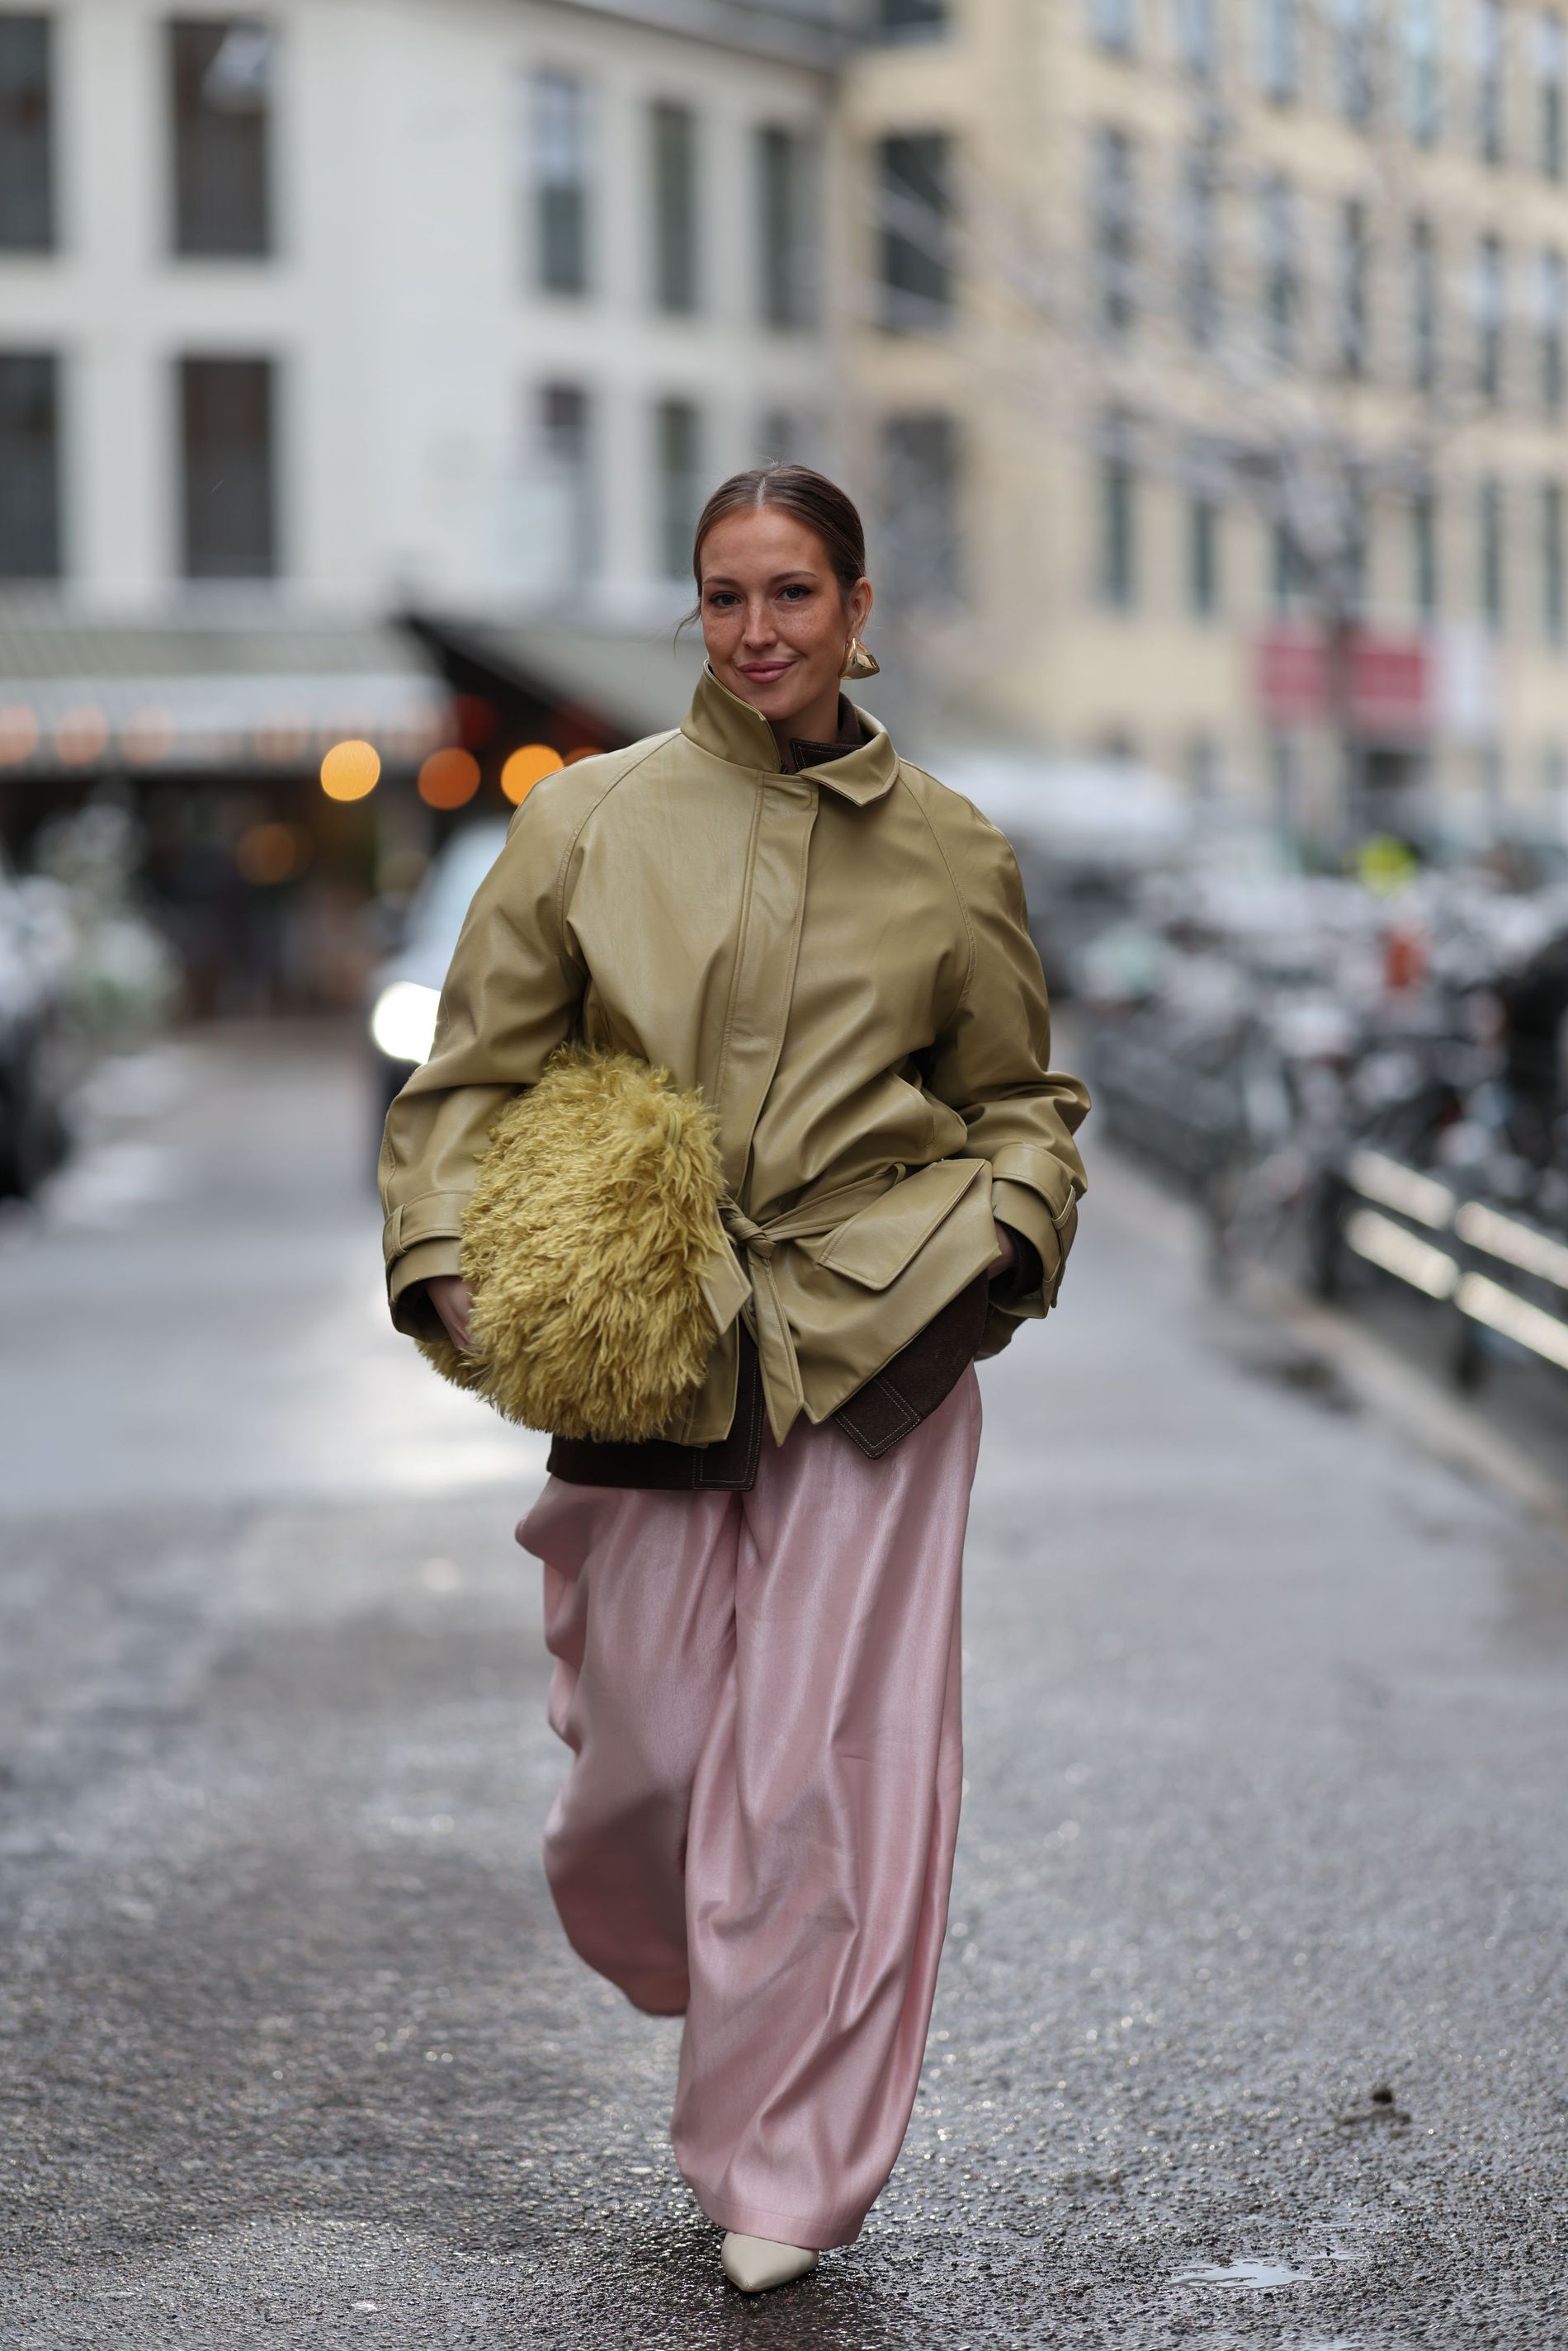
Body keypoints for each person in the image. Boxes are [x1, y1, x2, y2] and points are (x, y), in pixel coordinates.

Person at [379, 465, 1089, 2295]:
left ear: (857, 611)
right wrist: (447, 1262)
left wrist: (1003, 1233)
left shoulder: (950, 847)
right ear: (693, 613)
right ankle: (698, 1941)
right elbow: (466, 1086)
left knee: (815, 1777)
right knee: (652, 1765)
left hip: (881, 1343)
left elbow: (1022, 1103)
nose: (757, 631)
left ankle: (785, 2159)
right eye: (722, 596)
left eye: (791, 594)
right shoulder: (588, 827)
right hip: (645, 1340)